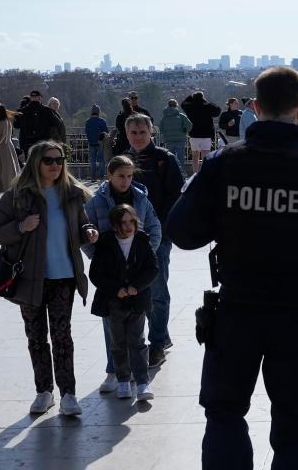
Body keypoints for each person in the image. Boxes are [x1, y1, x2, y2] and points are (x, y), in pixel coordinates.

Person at [167, 66, 298, 470]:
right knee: (294, 428)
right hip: (297, 315)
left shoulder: (224, 164)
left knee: (224, 414)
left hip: (236, 308)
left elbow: (182, 232)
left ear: (255, 108)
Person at [0, 141, 99, 417]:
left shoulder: (71, 194)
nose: (55, 165)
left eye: (59, 160)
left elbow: (83, 221)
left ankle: (68, 394)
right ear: (36, 163)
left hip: (64, 277)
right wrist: (20, 227)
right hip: (29, 278)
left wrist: (88, 230)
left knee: (63, 336)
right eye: (49, 160)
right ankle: (44, 392)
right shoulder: (17, 196)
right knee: (36, 337)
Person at [84, 154, 162, 393]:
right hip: (112, 276)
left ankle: (139, 378)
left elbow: (153, 226)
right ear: (110, 176)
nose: (125, 181)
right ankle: (115, 372)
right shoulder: (96, 201)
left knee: (137, 332)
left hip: (135, 273)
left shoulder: (141, 197)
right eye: (120, 176)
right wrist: (97, 257)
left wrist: (145, 253)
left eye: (129, 176)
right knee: (113, 329)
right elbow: (86, 230)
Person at [125, 113, 184, 368]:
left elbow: (175, 196)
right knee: (142, 289)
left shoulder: (164, 159)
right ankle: (160, 337)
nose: (138, 137)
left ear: (152, 133)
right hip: (128, 236)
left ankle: (157, 343)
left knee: (157, 291)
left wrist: (157, 227)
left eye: (142, 132)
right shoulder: (124, 160)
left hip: (156, 236)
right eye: (133, 133)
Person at [89, 204, 158, 402]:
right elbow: (96, 274)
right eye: (123, 222)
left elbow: (152, 269)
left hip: (137, 301)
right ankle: (123, 380)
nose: (128, 227)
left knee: (137, 342)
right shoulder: (106, 242)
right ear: (114, 225)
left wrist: (137, 285)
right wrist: (114, 289)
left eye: (131, 222)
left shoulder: (142, 240)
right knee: (118, 343)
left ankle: (143, 382)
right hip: (114, 302)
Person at [181, 91, 221, 174]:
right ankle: (205, 173)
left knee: (195, 156)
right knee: (205, 156)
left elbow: (182, 104)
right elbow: (218, 110)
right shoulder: (207, 106)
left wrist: (190, 96)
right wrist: (207, 101)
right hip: (206, 135)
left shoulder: (190, 107)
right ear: (203, 97)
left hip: (194, 134)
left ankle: (195, 173)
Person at [159, 98, 192, 172]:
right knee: (181, 158)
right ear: (176, 105)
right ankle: (182, 173)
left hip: (169, 141)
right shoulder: (181, 116)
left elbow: (160, 128)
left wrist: (165, 134)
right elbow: (190, 125)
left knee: (170, 159)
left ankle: (172, 173)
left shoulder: (164, 117)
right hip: (180, 140)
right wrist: (185, 131)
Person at [84, 105, 109, 181]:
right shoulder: (102, 121)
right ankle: (101, 177)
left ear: (92, 112)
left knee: (92, 161)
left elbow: (86, 132)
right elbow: (106, 132)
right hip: (100, 143)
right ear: (98, 112)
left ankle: (93, 178)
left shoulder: (87, 121)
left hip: (91, 143)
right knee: (101, 161)